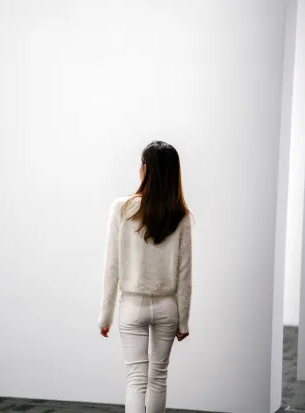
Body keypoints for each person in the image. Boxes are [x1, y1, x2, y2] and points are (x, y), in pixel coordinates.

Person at [98, 141, 193, 413]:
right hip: (167, 306)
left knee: (136, 380)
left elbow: (111, 267)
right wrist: (183, 321)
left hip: (132, 304)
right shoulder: (181, 215)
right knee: (159, 378)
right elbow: (185, 273)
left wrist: (105, 317)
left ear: (146, 169)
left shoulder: (122, 208)